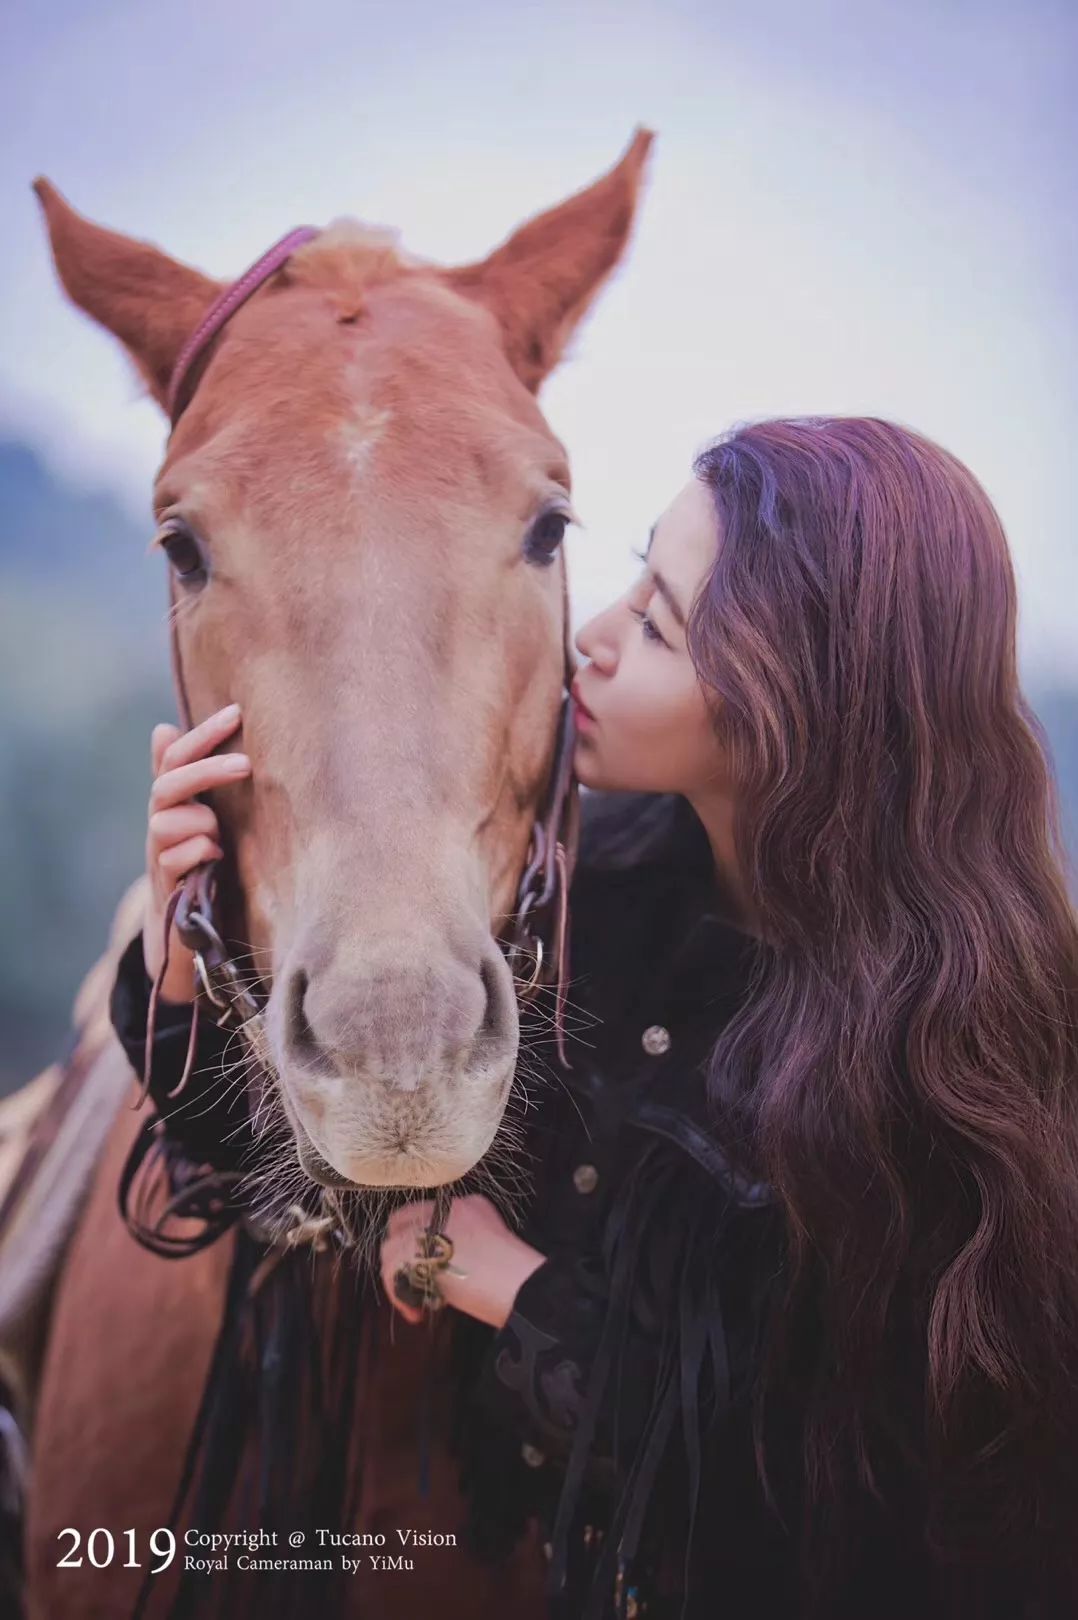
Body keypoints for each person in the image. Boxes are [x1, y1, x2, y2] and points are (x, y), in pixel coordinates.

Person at [109, 417, 1078, 1619]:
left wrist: (501, 1280)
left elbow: (815, 1516)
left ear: (806, 703)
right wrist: (183, 935)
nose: (597, 641)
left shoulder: (963, 1059)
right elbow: (258, 1172)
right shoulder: (579, 892)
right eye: (629, 575)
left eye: (661, 624)